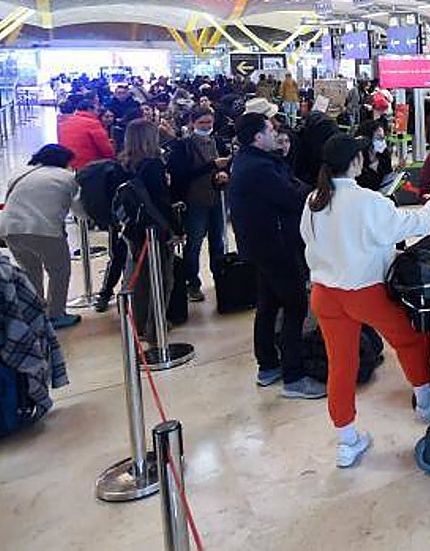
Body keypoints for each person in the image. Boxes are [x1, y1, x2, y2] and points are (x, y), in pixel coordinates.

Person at [300, 134, 430, 468]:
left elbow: (308, 239)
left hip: (325, 295)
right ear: (355, 161)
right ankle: (425, 402)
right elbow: (406, 226)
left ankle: (347, 441)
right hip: (364, 292)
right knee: (408, 339)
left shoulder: (314, 199)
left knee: (341, 366)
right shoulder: (366, 200)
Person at [228, 113, 324, 399]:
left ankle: (268, 365)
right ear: (258, 137)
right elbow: (292, 197)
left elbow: (291, 186)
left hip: (262, 245)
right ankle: (294, 377)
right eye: (270, 130)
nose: (276, 134)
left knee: (268, 303)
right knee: (295, 304)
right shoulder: (258, 168)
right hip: (274, 246)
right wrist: (314, 194)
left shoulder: (254, 162)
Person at [0, 145, 84, 328]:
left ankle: (35, 313)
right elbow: (80, 211)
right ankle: (56, 314)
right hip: (44, 229)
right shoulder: (67, 177)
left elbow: (10, 201)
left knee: (30, 272)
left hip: (11, 229)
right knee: (59, 271)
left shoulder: (20, 173)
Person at [120, 119, 182, 346]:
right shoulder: (153, 165)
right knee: (161, 279)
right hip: (155, 230)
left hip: (133, 228)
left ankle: (141, 324)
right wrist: (176, 229)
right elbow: (161, 202)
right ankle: (156, 328)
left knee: (142, 281)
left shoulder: (125, 163)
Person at [166, 107, 231, 304]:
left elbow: (227, 165)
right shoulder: (183, 146)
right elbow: (180, 175)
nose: (206, 126)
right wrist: (212, 166)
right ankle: (192, 282)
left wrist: (224, 173)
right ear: (193, 123)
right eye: (202, 122)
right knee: (194, 243)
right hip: (194, 201)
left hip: (216, 198)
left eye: (209, 122)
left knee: (218, 241)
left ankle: (221, 278)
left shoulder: (218, 142)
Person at [57, 94, 114, 170]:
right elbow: (106, 149)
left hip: (68, 164)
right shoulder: (93, 123)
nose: (98, 114)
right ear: (90, 109)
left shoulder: (66, 121)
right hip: (89, 166)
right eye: (97, 110)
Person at [355, 119, 393, 192]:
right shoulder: (357, 160)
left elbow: (388, 177)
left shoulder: (384, 156)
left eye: (383, 137)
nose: (382, 141)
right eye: (379, 137)